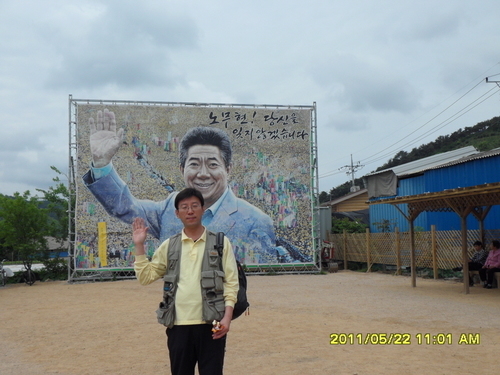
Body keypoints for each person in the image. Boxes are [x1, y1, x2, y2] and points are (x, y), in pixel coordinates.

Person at [82, 109, 289, 264]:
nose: (203, 173)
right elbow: (125, 208)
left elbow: (260, 279)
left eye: (213, 164)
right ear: (182, 169)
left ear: (229, 169)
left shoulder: (255, 221)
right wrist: (101, 164)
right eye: (194, 164)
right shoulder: (169, 207)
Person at [133, 188, 238, 375]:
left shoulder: (220, 243)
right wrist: (139, 245)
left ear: (203, 209)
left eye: (194, 206)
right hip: (178, 324)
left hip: (213, 323)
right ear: (177, 213)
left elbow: (231, 283)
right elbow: (145, 277)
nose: (190, 211)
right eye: (184, 207)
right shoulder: (169, 245)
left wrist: (227, 318)